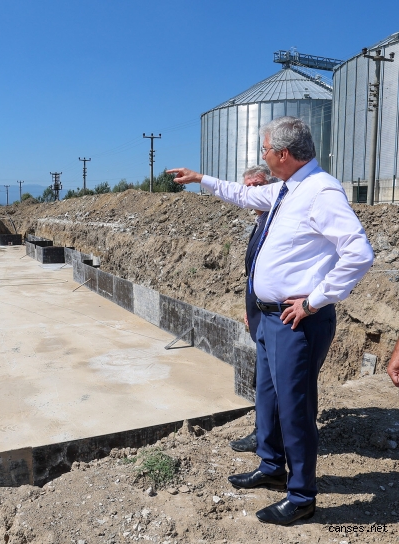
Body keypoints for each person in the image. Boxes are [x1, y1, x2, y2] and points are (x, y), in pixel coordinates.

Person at [168, 116, 373, 526]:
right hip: (269, 318)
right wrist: (201, 178)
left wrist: (314, 301)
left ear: (283, 153)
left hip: (296, 322)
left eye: (265, 150)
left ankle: (301, 497)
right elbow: (243, 195)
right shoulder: (286, 189)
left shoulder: (321, 191)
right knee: (268, 396)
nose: (262, 157)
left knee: (295, 409)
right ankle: (272, 466)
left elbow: (359, 253)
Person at [229, 164, 279, 454]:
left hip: (276, 315)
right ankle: (266, 433)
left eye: (258, 186)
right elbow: (254, 273)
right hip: (260, 312)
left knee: (270, 379)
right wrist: (250, 309)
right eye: (247, 188)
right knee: (264, 378)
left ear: (271, 186)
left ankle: (267, 436)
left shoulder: (276, 221)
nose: (252, 193)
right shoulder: (260, 221)